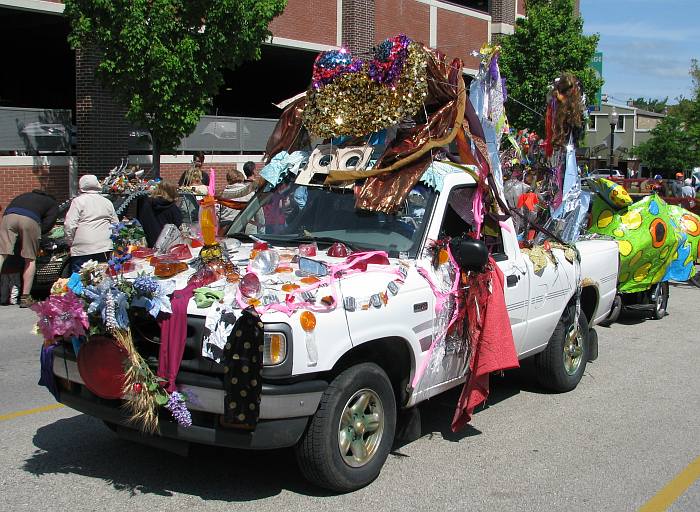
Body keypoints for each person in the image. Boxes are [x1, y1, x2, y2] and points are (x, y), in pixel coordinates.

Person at [0, 189, 58, 307]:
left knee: (2, 254)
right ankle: (25, 298)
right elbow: (48, 224)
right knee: (30, 258)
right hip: (30, 220)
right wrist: (38, 234)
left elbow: (7, 211)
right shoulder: (52, 203)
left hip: (9, 217)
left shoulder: (24, 195)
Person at [64, 175, 119, 274]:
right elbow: (115, 224)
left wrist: (70, 241)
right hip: (104, 245)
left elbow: (70, 224)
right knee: (102, 277)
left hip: (82, 247)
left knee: (81, 277)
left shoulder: (78, 201)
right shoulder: (107, 202)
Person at [136, 180, 183, 247]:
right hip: (168, 245)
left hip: (150, 243)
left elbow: (141, 222)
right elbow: (178, 226)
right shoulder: (173, 208)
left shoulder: (147, 205)